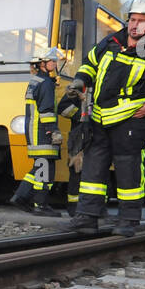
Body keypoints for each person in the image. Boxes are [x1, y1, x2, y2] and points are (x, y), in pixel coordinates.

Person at [67, 0, 145, 236]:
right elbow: (89, 64)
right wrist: (80, 81)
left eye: (141, 21)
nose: (134, 25)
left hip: (131, 121)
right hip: (100, 118)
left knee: (128, 171)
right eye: (132, 19)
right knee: (93, 169)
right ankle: (87, 218)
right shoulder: (111, 41)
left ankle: (129, 220)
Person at [10, 46, 66, 217]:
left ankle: (23, 197)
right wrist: (53, 131)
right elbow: (47, 110)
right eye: (52, 61)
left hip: (34, 132)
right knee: (44, 168)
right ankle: (39, 204)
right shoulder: (46, 83)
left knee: (40, 167)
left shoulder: (35, 81)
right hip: (42, 132)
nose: (55, 64)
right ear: (43, 63)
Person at [56, 75, 88, 215]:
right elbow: (62, 107)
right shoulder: (79, 86)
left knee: (97, 171)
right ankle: (74, 209)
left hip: (96, 133)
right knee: (76, 170)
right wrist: (80, 116)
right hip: (79, 135)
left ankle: (96, 207)